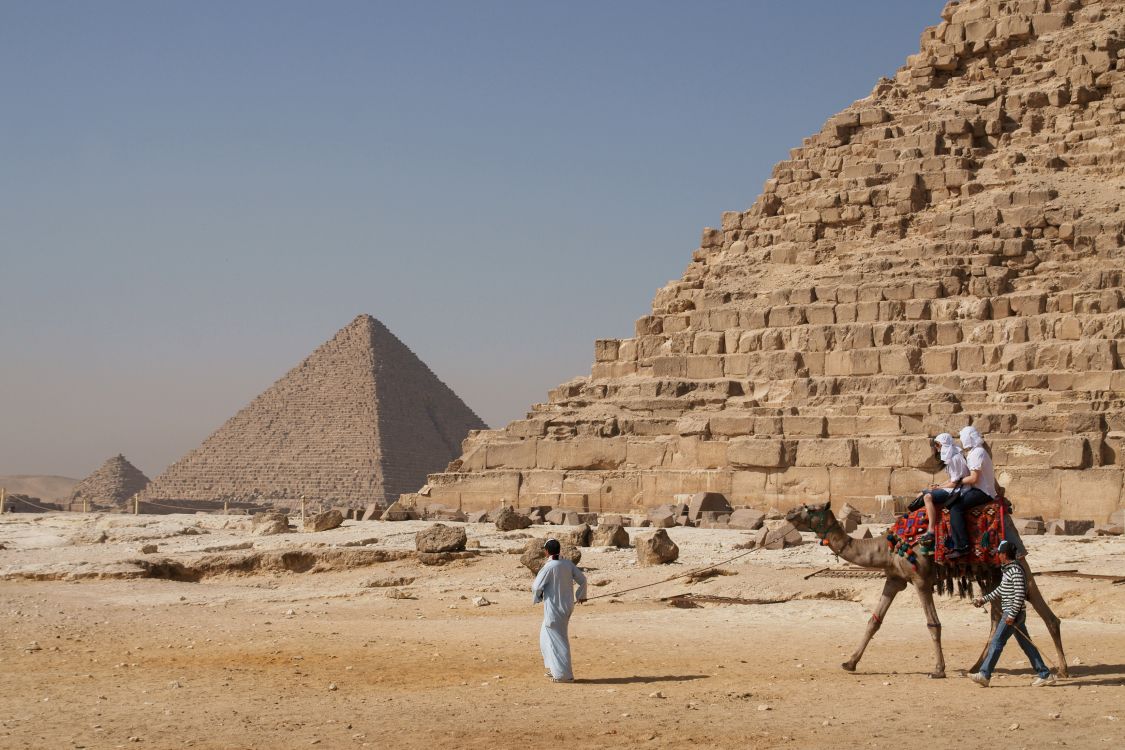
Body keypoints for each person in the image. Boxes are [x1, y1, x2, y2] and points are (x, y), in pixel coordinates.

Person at [970, 540, 1056, 687]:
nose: (998, 555)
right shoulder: (1009, 569)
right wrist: (983, 600)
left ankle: (984, 674)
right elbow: (1001, 590)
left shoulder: (1015, 570)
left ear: (1004, 554)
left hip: (1013, 613)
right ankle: (1045, 674)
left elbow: (1020, 594)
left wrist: (1011, 615)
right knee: (1027, 645)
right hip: (1015, 613)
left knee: (997, 642)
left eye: (999, 553)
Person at [532, 538, 587, 683]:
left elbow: (536, 587)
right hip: (567, 606)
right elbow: (583, 580)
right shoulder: (567, 564)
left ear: (546, 551)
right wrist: (581, 596)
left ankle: (564, 676)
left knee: (559, 640)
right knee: (545, 636)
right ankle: (554, 669)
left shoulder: (549, 567)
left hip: (554, 610)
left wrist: (538, 596)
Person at [945, 425, 996, 559]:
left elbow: (974, 478)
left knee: (956, 508)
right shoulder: (977, 451)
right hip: (980, 489)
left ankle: (962, 547)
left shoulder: (977, 453)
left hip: (982, 492)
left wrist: (958, 481)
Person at [918, 433, 969, 544]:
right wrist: (939, 486)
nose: (936, 448)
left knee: (927, 497)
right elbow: (952, 479)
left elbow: (955, 482)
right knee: (921, 494)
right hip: (953, 487)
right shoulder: (951, 457)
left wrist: (939, 488)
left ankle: (931, 529)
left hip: (958, 490)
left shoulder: (955, 458)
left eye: (937, 445)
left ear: (944, 444)